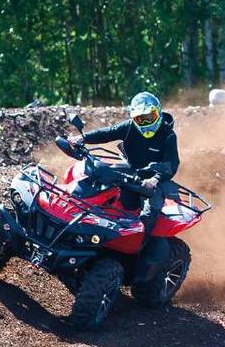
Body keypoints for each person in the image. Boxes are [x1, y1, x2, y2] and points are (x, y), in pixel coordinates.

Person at [76, 92, 180, 254]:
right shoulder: (130, 126)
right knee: (100, 174)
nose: (145, 123)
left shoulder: (168, 135)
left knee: (151, 210)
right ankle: (83, 222)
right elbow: (108, 132)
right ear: (134, 118)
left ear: (158, 113)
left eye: (149, 117)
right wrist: (83, 138)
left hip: (156, 178)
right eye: (140, 119)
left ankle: (138, 248)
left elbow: (172, 164)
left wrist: (155, 178)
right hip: (132, 169)